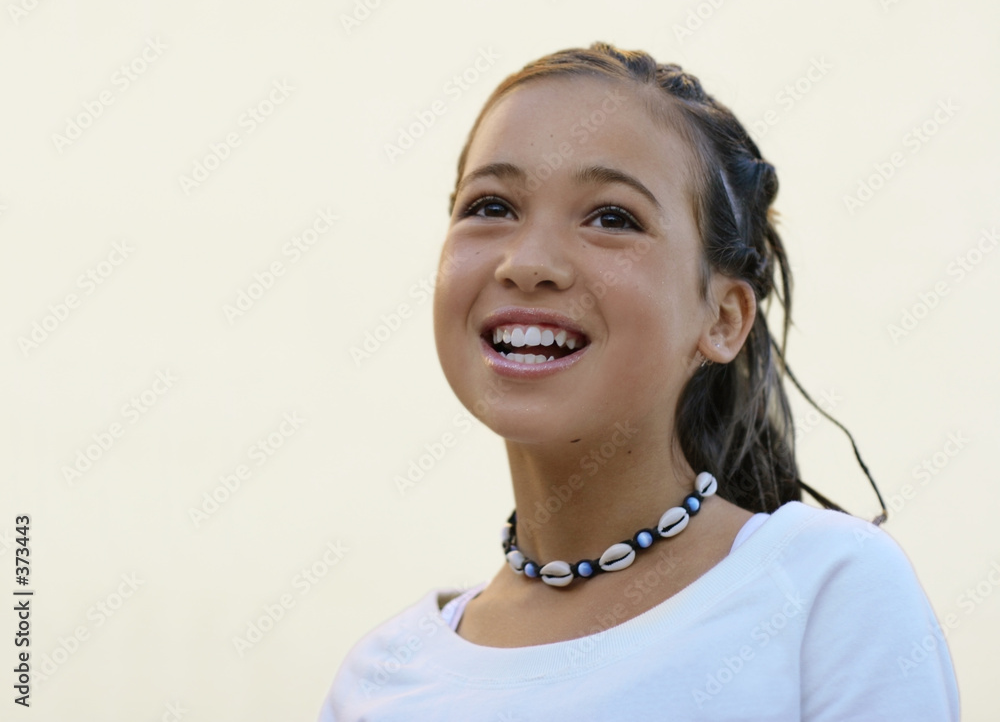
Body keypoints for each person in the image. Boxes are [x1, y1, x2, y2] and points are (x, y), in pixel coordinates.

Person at [317, 42, 960, 720]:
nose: (527, 261)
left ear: (723, 316)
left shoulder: (825, 593)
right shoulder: (381, 679)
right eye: (491, 206)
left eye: (612, 218)